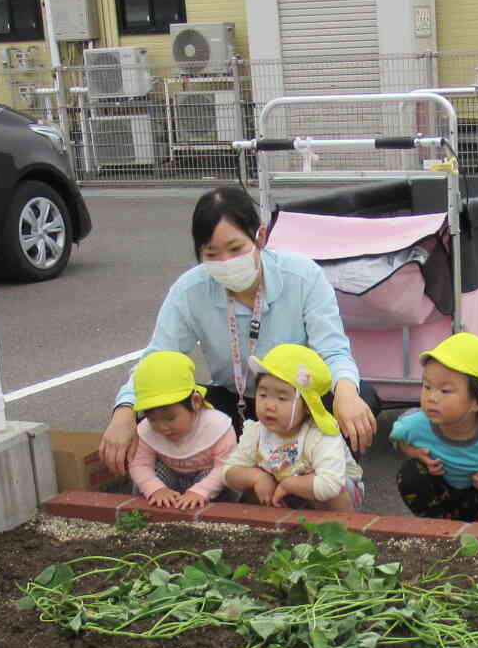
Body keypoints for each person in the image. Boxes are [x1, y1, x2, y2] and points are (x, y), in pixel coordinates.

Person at [98, 185, 375, 479]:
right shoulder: (189, 290)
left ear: (261, 236)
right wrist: (124, 410)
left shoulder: (303, 276)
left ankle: (320, 477)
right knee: (161, 407)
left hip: (297, 403)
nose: (226, 263)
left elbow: (333, 350)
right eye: (212, 254)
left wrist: (346, 393)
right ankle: (198, 477)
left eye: (236, 249)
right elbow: (156, 360)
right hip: (235, 404)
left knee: (359, 397)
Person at [388, 334, 478, 524]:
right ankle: (438, 527)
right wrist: (413, 452)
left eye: (445, 390)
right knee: (410, 474)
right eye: (427, 386)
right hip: (441, 498)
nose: (432, 397)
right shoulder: (415, 423)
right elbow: (397, 436)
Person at [221, 343, 366, 510]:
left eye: (282, 398)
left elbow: (330, 485)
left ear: (307, 406)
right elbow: (227, 472)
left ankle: (342, 527)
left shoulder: (320, 435)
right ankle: (272, 522)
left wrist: (288, 485)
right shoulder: (256, 432)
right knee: (254, 483)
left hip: (334, 491)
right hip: (285, 485)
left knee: (335, 491)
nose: (269, 405)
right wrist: (256, 477)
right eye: (263, 394)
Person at [126, 350, 238, 511]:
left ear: (196, 402)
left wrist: (200, 491)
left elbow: (225, 466)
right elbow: (140, 464)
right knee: (145, 482)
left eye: (170, 418)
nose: (162, 427)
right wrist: (156, 489)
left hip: (209, 477)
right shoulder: (147, 430)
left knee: (229, 480)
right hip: (170, 475)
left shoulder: (217, 426)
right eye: (152, 419)